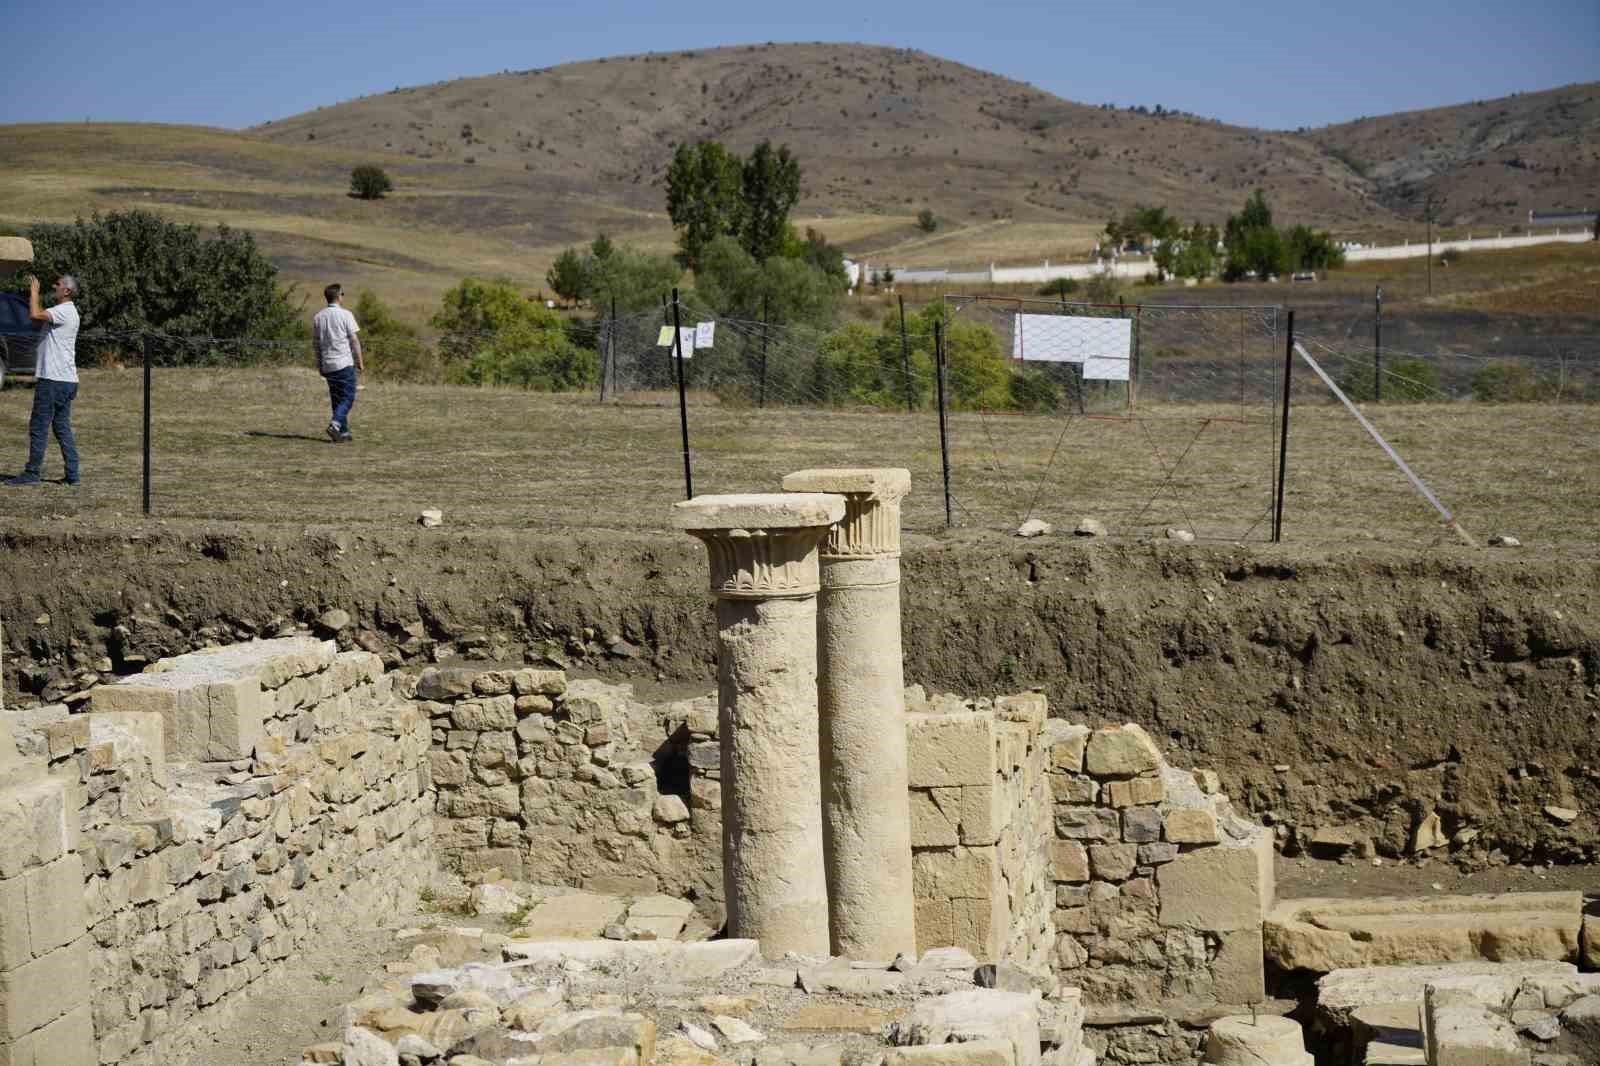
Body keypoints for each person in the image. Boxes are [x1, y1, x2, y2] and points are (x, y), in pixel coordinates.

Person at [6, 274, 80, 486]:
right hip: (66, 380)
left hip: (53, 380)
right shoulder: (68, 312)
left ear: (66, 291)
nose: (54, 287)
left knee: (38, 425)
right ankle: (73, 475)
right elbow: (35, 318)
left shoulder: (63, 311)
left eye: (58, 284)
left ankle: (32, 473)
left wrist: (34, 292)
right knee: (61, 426)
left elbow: (35, 313)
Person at [311, 282, 363, 442]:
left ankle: (343, 432)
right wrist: (360, 361)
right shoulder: (346, 314)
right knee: (348, 397)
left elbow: (316, 344)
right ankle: (334, 425)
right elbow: (354, 340)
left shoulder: (318, 317)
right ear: (338, 297)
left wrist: (320, 364)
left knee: (336, 398)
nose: (343, 297)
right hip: (344, 363)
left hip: (328, 364)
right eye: (342, 294)